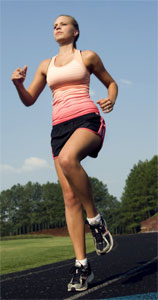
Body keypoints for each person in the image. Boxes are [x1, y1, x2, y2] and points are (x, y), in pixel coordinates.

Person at [11, 14, 118, 292]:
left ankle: (95, 220)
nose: (57, 26)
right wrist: (18, 85)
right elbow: (29, 100)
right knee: (69, 198)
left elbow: (111, 82)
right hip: (58, 129)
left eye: (63, 23)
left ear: (76, 31)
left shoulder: (87, 56)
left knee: (70, 159)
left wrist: (111, 98)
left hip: (87, 120)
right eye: (54, 25)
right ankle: (83, 267)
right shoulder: (46, 65)